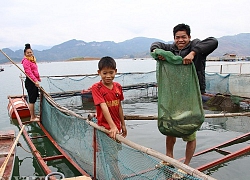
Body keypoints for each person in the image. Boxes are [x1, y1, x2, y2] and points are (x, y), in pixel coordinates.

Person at [150, 23, 218, 166]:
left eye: (183, 37)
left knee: (190, 129)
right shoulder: (171, 49)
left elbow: (213, 41)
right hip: (174, 96)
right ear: (174, 38)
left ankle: (186, 164)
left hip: (192, 96)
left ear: (189, 37)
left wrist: (193, 53)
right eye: (177, 37)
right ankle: (169, 158)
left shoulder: (196, 45)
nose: (180, 40)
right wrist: (157, 51)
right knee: (170, 126)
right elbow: (155, 44)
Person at [91, 56, 127, 179]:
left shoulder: (118, 86)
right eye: (104, 73)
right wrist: (112, 126)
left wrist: (123, 124)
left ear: (115, 72)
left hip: (116, 128)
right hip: (105, 129)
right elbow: (103, 106)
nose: (108, 76)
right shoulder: (97, 88)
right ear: (99, 73)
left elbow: (119, 106)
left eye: (111, 73)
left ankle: (116, 175)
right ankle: (117, 177)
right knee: (110, 157)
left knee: (114, 155)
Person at [21, 43, 41, 121]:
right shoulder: (26, 61)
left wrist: (38, 78)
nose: (29, 54)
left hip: (34, 81)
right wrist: (35, 80)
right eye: (28, 53)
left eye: (30, 52)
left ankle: (34, 115)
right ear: (25, 54)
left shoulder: (32, 60)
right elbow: (29, 72)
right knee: (32, 100)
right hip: (30, 82)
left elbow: (35, 71)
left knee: (34, 98)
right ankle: (32, 117)